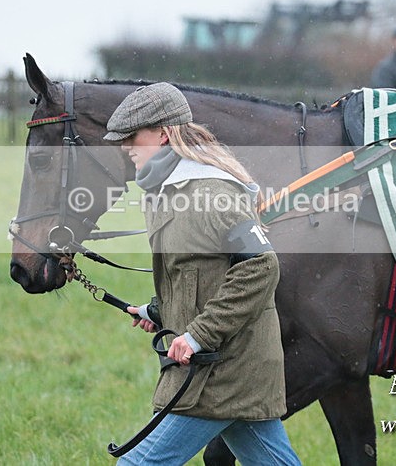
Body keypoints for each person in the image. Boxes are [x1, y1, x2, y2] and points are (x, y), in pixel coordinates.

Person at [104, 82, 300, 466]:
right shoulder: (167, 193)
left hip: (222, 369)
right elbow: (198, 273)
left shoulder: (212, 193)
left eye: (133, 137)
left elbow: (261, 268)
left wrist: (197, 335)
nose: (126, 146)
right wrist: (158, 310)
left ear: (163, 134)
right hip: (228, 368)